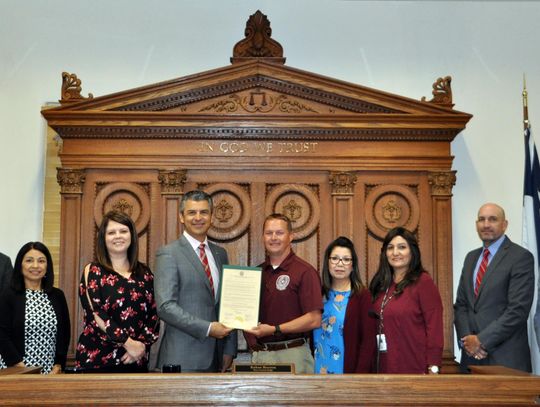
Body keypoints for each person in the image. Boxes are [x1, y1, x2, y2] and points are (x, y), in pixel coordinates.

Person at [154, 190, 237, 372]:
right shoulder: (168, 254)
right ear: (182, 217)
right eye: (192, 212)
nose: (198, 217)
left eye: (204, 212)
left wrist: (229, 349)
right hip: (181, 358)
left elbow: (227, 303)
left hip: (216, 357)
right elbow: (165, 307)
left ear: (211, 217)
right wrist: (208, 329)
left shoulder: (220, 254)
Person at [75, 211, 159, 373]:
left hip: (136, 359)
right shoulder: (92, 271)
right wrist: (129, 343)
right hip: (97, 360)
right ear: (103, 238)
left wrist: (141, 346)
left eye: (123, 231)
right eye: (111, 232)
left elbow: (154, 315)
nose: (118, 236)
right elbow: (95, 315)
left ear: (132, 236)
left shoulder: (145, 273)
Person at [454, 203, 534, 373]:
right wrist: (468, 342)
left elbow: (517, 310)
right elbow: (461, 305)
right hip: (471, 360)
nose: (486, 224)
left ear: (504, 224)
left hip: (506, 359)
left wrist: (481, 341)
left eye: (493, 219)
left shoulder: (520, 257)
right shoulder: (471, 258)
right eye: (481, 219)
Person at [244, 213, 322, 374]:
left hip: (294, 354)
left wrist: (274, 329)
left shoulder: (304, 271)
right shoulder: (255, 273)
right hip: (261, 356)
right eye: (268, 233)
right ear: (263, 237)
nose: (273, 237)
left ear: (290, 236)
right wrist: (251, 341)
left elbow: (314, 319)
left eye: (279, 233)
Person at [369, 227, 443, 374]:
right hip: (381, 367)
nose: (395, 252)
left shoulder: (423, 282)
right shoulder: (380, 285)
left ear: (412, 252)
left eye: (402, 247)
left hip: (414, 367)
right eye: (390, 248)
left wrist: (433, 368)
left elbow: (434, 327)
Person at [0, 242, 70, 374]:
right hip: (15, 369)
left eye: (41, 261)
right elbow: (2, 335)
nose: (35, 266)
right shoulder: (8, 295)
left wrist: (59, 365)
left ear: (47, 266)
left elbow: (64, 335)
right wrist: (19, 366)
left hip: (50, 372)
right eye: (29, 260)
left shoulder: (58, 296)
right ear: (20, 265)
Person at [313, 236, 376, 374]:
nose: (340, 264)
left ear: (353, 266)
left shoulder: (362, 296)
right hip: (316, 371)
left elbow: (368, 342)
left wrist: (359, 377)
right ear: (327, 262)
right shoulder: (318, 294)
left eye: (346, 259)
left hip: (347, 373)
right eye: (335, 258)